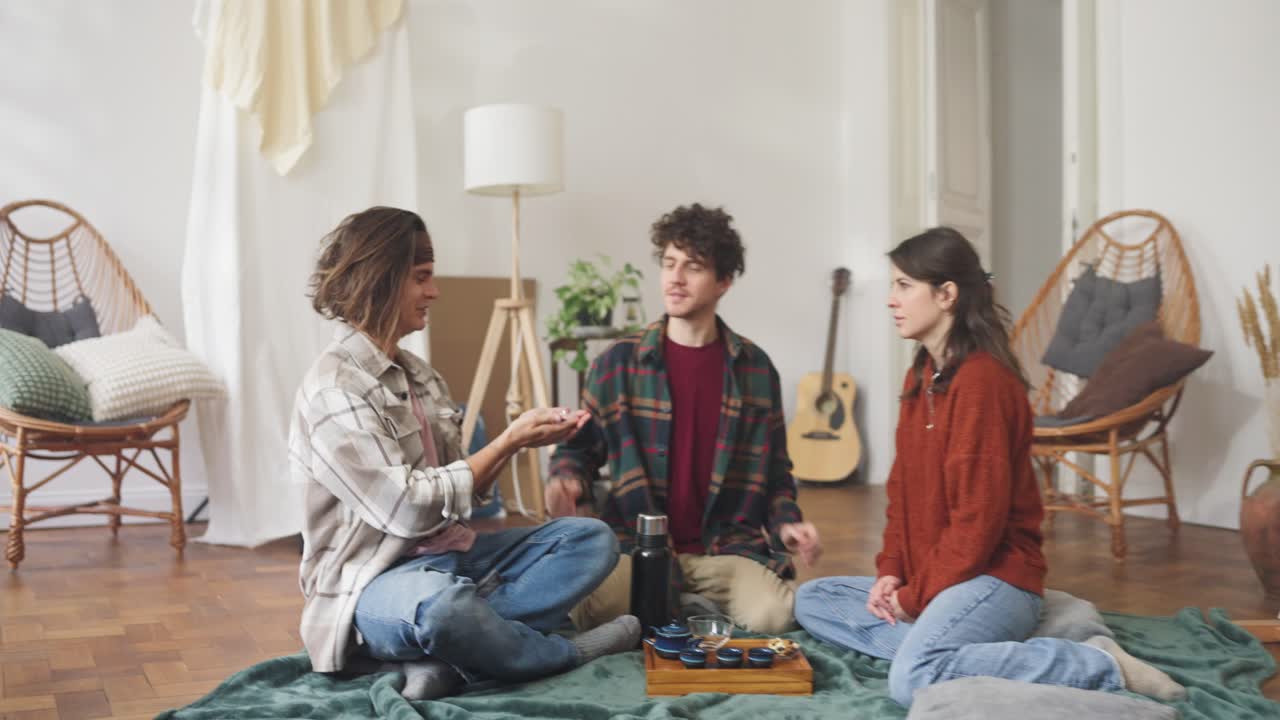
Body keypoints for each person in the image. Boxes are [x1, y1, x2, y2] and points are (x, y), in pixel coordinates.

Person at [792, 227, 1186, 708]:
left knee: (910, 678)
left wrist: (915, 600)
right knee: (814, 600)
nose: (891, 300)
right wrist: (892, 573)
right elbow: (901, 494)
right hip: (936, 579)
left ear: (946, 295)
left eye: (903, 286)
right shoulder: (921, 374)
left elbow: (978, 526)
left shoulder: (983, 383)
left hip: (995, 577)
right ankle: (978, 652)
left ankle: (1097, 664)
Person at [290, 207, 639, 699]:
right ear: (381, 279)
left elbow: (465, 497)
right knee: (442, 608)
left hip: (457, 557)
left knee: (592, 540)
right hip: (375, 581)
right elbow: (407, 509)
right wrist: (506, 441)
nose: (433, 291)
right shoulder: (334, 389)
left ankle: (449, 656)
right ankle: (560, 654)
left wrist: (517, 444)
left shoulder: (419, 375)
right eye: (421, 278)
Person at [545, 203, 822, 635]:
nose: (674, 278)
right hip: (638, 546)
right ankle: (688, 608)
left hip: (728, 549)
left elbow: (776, 473)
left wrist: (787, 523)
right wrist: (566, 480)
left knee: (775, 616)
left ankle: (679, 607)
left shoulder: (755, 369)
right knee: (587, 609)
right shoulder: (617, 364)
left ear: (724, 282)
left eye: (692, 267)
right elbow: (577, 449)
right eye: (669, 264)